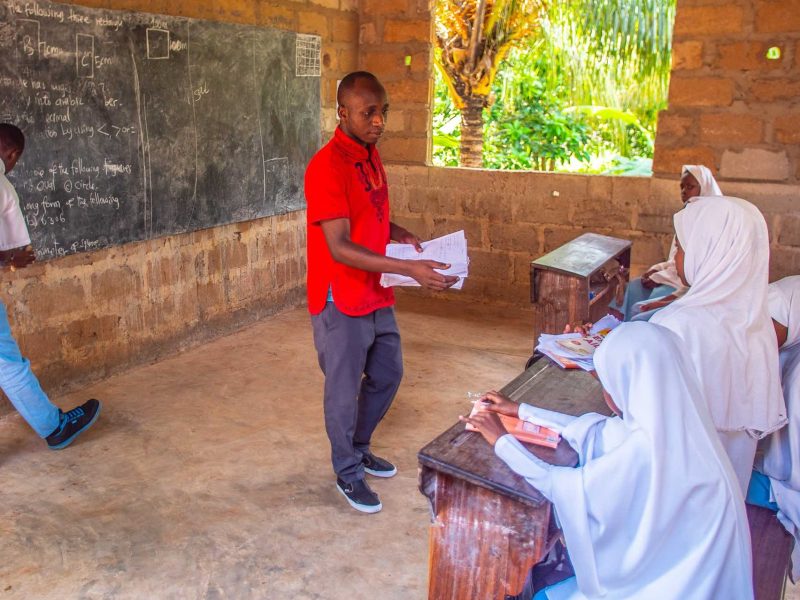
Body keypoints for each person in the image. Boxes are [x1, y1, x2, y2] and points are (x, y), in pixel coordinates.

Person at [463, 322, 753, 600]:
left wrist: (501, 440)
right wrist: (520, 410)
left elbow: (560, 486)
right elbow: (596, 430)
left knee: (545, 591)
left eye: (606, 381)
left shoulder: (645, 447)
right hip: (693, 575)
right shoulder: (683, 425)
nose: (606, 391)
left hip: (671, 587)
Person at [305, 72, 458, 513]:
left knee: (388, 373)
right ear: (343, 113)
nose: (378, 121)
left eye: (382, 111)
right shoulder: (327, 166)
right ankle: (347, 473)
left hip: (376, 290)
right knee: (342, 389)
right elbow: (339, 245)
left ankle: (358, 446)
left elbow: (366, 222)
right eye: (368, 112)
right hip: (342, 297)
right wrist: (408, 268)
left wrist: (398, 233)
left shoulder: (369, 157)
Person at [649, 196, 785, 493]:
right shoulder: (756, 325)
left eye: (682, 247)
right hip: (728, 502)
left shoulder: (677, 324)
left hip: (675, 496)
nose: (675, 258)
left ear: (710, 251)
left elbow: (642, 414)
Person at [0, 123, 101, 449]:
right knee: (8, 364)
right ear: (11, 153)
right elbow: (20, 256)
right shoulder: (3, 189)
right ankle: (54, 427)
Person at [610, 165, 722, 322]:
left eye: (690, 187)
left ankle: (631, 333)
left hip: (682, 285)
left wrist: (660, 276)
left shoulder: (711, 222)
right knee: (632, 289)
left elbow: (695, 271)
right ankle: (614, 328)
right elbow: (675, 259)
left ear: (705, 187)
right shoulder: (686, 215)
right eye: (682, 187)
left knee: (648, 305)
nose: (684, 191)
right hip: (672, 277)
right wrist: (656, 270)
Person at [747, 275, 800, 579]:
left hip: (784, 488)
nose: (757, 335)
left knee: (703, 482)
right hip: (780, 476)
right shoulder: (788, 350)